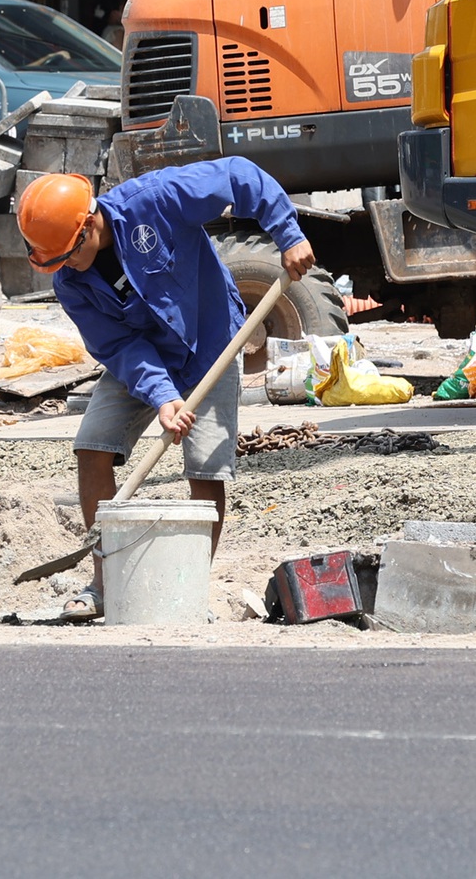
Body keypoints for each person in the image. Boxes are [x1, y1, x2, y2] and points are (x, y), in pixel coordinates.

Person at [18, 159, 315, 621]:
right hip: (140, 361)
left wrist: (289, 234)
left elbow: (240, 175)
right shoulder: (71, 283)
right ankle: (103, 584)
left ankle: (187, 589)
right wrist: (161, 395)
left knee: (206, 469)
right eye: (54, 261)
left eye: (68, 254)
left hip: (212, 345)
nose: (65, 267)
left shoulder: (156, 198)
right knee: (92, 447)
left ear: (90, 223)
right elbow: (118, 344)